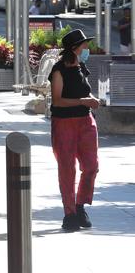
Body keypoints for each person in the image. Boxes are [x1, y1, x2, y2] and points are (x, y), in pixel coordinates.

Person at [48, 29, 101, 232]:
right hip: (64, 124)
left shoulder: (82, 66)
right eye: (84, 45)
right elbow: (58, 101)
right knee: (67, 169)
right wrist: (82, 101)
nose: (87, 48)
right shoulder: (59, 70)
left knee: (91, 166)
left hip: (86, 121)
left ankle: (80, 205)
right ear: (74, 48)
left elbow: (84, 90)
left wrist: (92, 99)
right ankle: (69, 214)